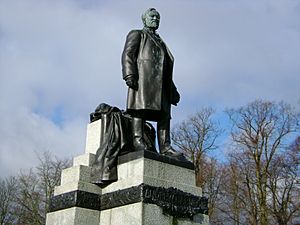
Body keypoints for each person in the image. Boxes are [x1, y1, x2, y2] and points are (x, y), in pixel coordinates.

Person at [122, 8, 181, 157]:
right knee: (139, 110)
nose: (155, 19)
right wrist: (130, 74)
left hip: (161, 86)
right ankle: (138, 140)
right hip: (143, 80)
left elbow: (166, 70)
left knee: (164, 116)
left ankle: (165, 146)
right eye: (152, 17)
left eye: (158, 18)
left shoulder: (161, 42)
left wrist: (173, 90)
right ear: (144, 19)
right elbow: (128, 54)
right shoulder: (137, 34)